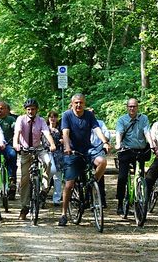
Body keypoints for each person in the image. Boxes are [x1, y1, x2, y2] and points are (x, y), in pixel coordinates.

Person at [58, 93, 110, 226]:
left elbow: (97, 129)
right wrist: (67, 147)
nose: (79, 105)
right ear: (72, 103)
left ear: (84, 103)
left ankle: (92, 184)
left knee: (102, 162)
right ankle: (64, 214)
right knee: (69, 185)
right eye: (76, 102)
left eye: (81, 102)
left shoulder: (89, 115)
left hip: (88, 149)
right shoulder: (67, 115)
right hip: (73, 151)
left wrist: (104, 141)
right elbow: (65, 133)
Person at [13, 98, 56, 220]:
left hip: (39, 148)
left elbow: (46, 133)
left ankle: (43, 190)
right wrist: (16, 144)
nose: (30, 111)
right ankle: (24, 207)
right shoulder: (20, 119)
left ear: (36, 110)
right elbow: (17, 133)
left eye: (33, 109)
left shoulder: (41, 120)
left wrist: (52, 144)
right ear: (25, 110)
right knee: (25, 179)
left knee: (48, 162)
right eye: (28, 109)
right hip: (26, 150)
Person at [115, 98, 154, 215]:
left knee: (141, 175)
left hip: (140, 151)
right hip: (126, 151)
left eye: (134, 106)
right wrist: (118, 144)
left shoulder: (144, 119)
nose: (132, 108)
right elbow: (119, 133)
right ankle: (120, 203)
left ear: (138, 107)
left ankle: (140, 201)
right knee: (122, 177)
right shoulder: (122, 120)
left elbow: (147, 132)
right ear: (127, 107)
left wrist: (152, 145)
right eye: (130, 106)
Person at [87, 108, 111, 208]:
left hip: (98, 152)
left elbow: (107, 135)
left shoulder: (100, 123)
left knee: (99, 177)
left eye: (93, 113)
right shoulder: (84, 123)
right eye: (89, 113)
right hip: (86, 152)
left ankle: (102, 199)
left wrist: (105, 141)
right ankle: (87, 199)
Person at [0, 101, 18, 200]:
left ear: (6, 110)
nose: (0, 110)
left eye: (2, 108)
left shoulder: (10, 119)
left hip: (8, 145)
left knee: (12, 155)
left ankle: (12, 181)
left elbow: (16, 129)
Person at [43, 110, 63, 207]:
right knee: (50, 172)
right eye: (51, 117)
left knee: (58, 177)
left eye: (55, 117)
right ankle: (43, 193)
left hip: (59, 154)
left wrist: (62, 140)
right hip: (47, 153)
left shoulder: (60, 129)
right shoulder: (45, 129)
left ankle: (57, 199)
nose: (53, 119)